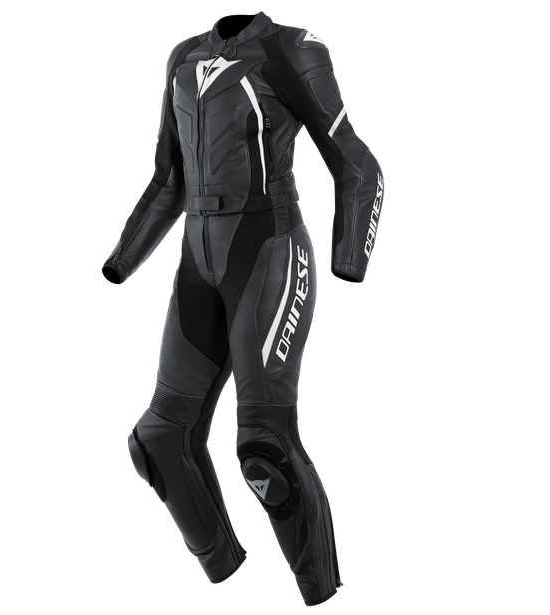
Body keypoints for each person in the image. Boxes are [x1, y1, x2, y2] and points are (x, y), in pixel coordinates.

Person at [103, 10, 385, 607]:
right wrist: (117, 266)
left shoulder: (289, 49)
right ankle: (230, 584)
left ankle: (322, 597)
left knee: (265, 450)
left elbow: (357, 163)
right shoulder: (182, 58)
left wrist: (350, 261)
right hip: (198, 263)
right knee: (158, 441)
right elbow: (167, 182)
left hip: (268, 251)